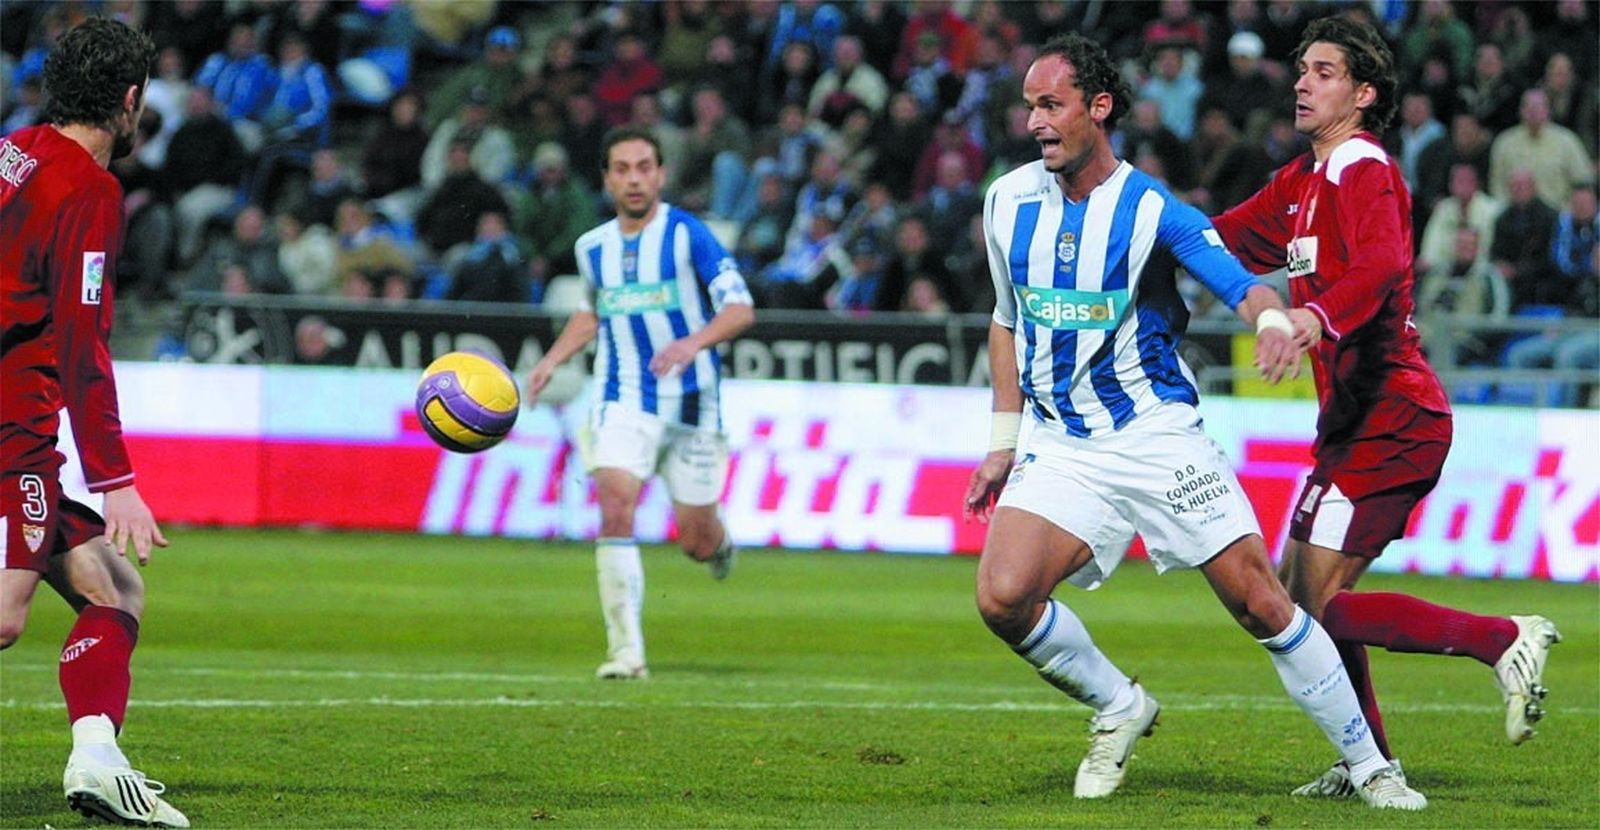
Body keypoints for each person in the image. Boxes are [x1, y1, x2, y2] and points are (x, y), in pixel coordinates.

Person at [963, 32, 1422, 811]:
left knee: (1263, 603)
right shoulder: (1006, 201)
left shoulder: (1151, 210)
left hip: (1153, 435)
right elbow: (1006, 321)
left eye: (1052, 104)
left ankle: (1373, 767)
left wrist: (1275, 321)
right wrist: (1004, 443)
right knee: (1002, 597)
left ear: (1098, 108)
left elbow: (1237, 281)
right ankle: (1119, 706)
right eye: (1030, 106)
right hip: (1065, 444)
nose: (1036, 121)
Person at [1211, 16, 1561, 802]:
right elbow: (1219, 238)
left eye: (1324, 71)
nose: (1302, 81)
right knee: (1300, 604)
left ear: (1363, 94)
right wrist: (1139, 226)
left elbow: (1380, 265)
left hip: (1395, 414)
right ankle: (1364, 756)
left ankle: (1502, 640)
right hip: (1348, 424)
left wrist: (1310, 317)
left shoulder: (1362, 166)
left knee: (1321, 608)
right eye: (1301, 68)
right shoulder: (1300, 181)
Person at [0, 17, 188, 828]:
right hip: (14, 431)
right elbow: (82, 344)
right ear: (131, 100)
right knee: (5, 616)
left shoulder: (15, 148)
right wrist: (117, 482)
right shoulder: (88, 190)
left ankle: (97, 758)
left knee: (116, 587)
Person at [525, 127, 755, 681]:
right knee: (615, 500)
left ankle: (719, 544)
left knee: (696, 542)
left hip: (694, 406)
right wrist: (553, 357)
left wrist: (692, 342)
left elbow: (741, 307)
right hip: (622, 397)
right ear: (606, 179)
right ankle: (626, 652)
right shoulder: (592, 247)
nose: (634, 178)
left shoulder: (688, 235)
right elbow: (592, 310)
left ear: (661, 174)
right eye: (622, 168)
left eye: (644, 167)